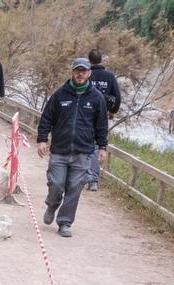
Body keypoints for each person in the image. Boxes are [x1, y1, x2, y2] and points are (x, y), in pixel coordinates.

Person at [36, 58, 109, 238]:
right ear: (72, 72)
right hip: (60, 150)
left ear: (89, 73)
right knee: (56, 184)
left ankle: (65, 222)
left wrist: (102, 147)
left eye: (83, 71)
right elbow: (46, 118)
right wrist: (42, 140)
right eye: (77, 70)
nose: (80, 74)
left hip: (83, 152)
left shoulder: (97, 98)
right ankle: (52, 204)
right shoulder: (60, 95)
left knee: (74, 188)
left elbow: (102, 125)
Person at [85, 49, 121, 191]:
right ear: (101, 60)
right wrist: (112, 111)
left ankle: (83, 175)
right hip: (102, 116)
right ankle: (93, 179)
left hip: (85, 113)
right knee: (96, 145)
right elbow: (117, 97)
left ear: (89, 60)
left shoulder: (85, 74)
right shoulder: (109, 76)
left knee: (82, 143)